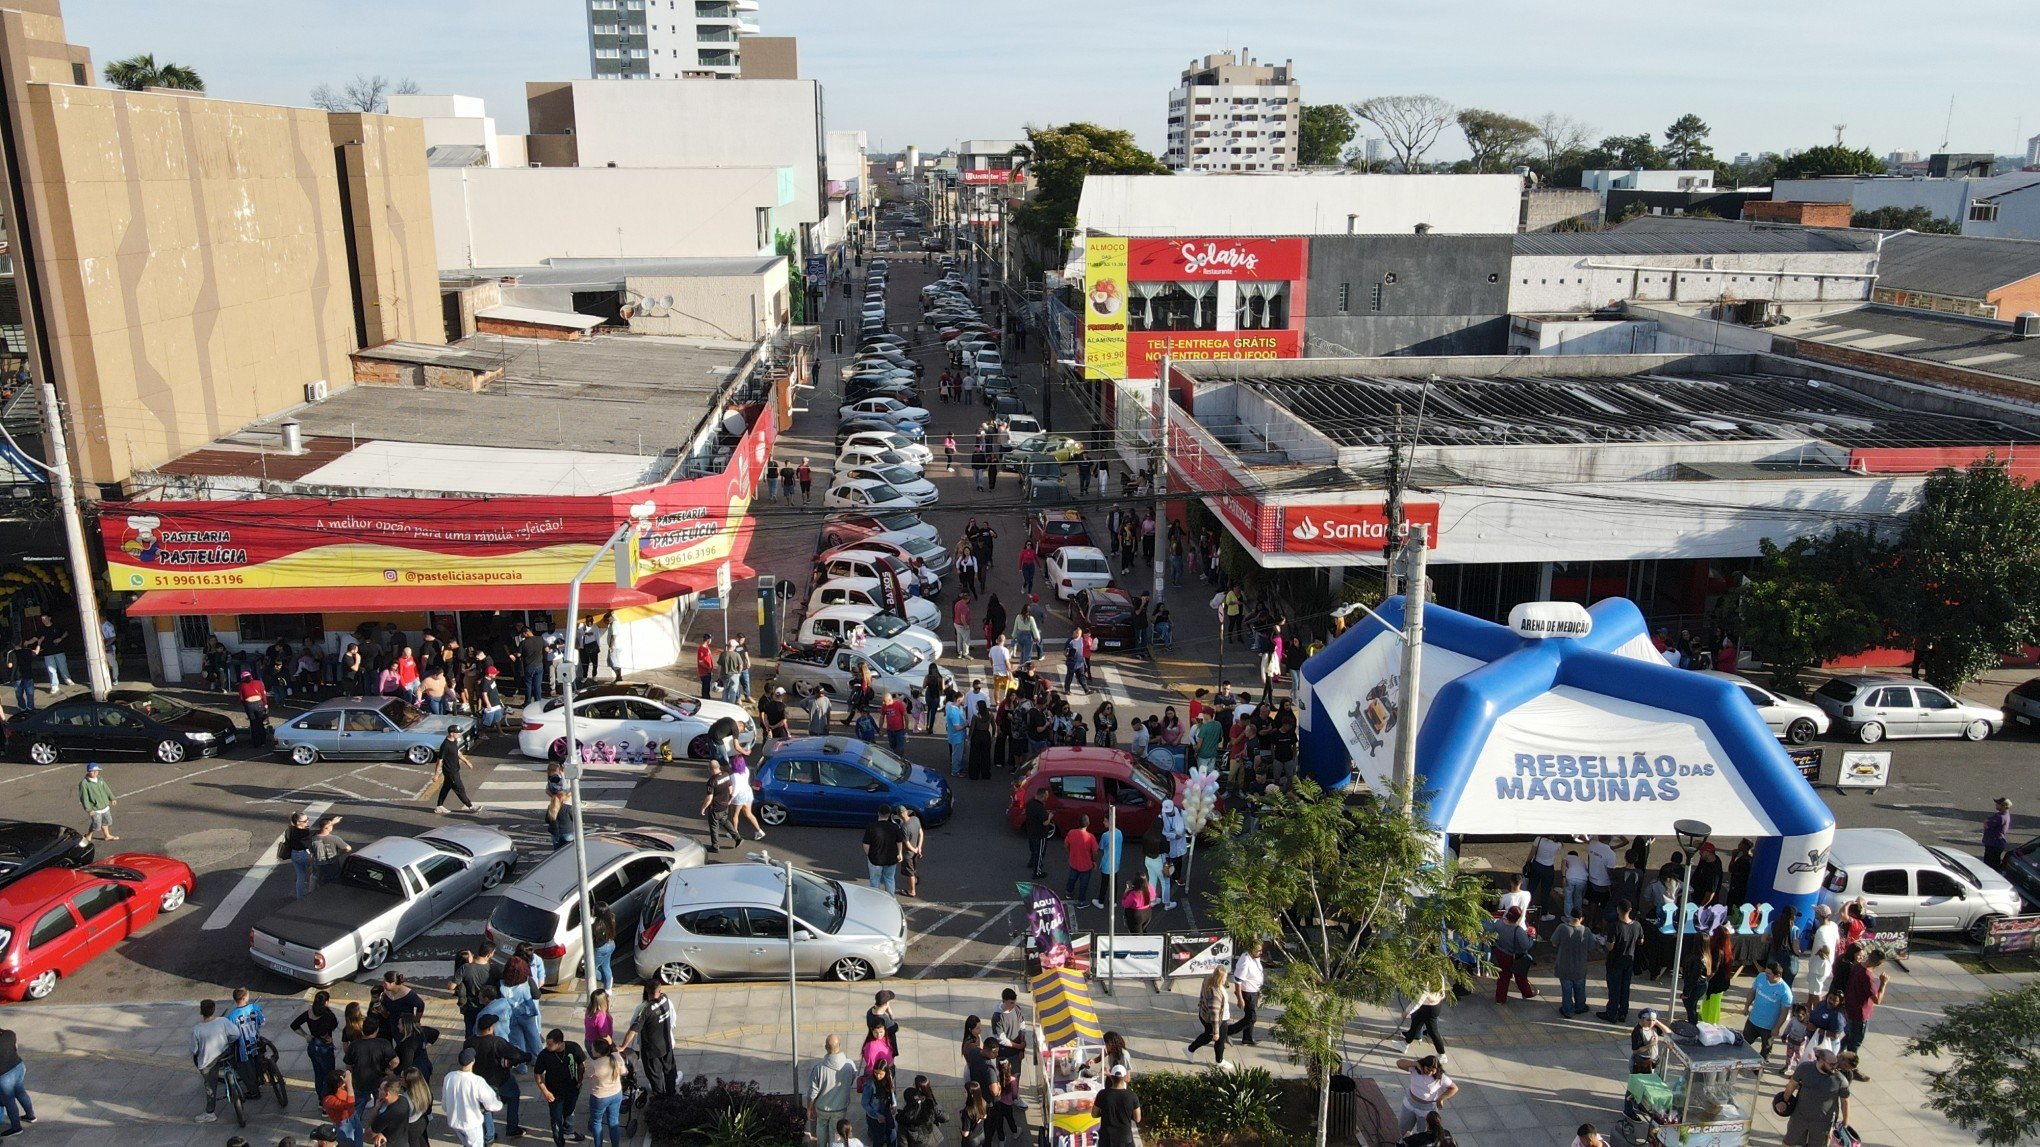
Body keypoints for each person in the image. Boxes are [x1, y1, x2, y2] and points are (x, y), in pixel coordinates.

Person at [466, 1012, 529, 1142]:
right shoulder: (496, 1042)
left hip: (479, 1082)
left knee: (486, 1108)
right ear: (490, 1029)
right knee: (513, 1095)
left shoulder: (469, 1042)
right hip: (500, 1079)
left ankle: (489, 1136)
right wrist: (525, 1057)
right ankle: (512, 1128)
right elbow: (516, 1055)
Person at [1778, 1051, 1852, 1147]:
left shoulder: (1840, 1080)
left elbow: (1845, 1102)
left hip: (1823, 1123)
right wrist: (1784, 1101)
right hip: (1799, 1117)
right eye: (1832, 1064)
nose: (1835, 1067)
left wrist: (1845, 1122)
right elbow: (1791, 1085)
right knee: (1788, 1143)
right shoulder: (1805, 1068)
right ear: (1821, 1060)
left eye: (1836, 1063)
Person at [534, 1028, 586, 1147]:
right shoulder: (544, 1055)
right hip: (554, 1093)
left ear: (560, 1043)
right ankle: (559, 1142)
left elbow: (581, 1065)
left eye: (550, 1044)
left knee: (569, 1111)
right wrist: (545, 1091)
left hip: (572, 1089)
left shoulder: (573, 1048)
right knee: (556, 1118)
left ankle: (569, 1131)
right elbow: (537, 1074)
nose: (547, 1046)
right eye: (547, 1043)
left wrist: (579, 1081)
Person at [191, 998, 240, 1124]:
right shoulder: (222, 1021)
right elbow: (236, 1034)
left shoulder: (197, 1029)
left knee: (210, 1086)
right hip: (225, 1054)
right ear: (214, 1010)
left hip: (209, 1061)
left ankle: (210, 1112)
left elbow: (194, 1049)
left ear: (201, 1012)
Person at [623, 983, 678, 1096]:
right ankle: (671, 1094)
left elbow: (633, 1028)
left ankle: (660, 1098)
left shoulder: (644, 1009)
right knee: (670, 1070)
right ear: (660, 990)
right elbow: (672, 1020)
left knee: (654, 1074)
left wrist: (623, 1046)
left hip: (651, 1050)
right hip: (667, 1044)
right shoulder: (666, 999)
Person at [442, 1047, 503, 1147]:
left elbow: (445, 1101)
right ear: (473, 1061)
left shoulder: (449, 1077)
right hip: (471, 1124)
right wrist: (499, 1104)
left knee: (465, 1143)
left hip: (454, 1122)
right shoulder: (476, 1081)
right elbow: (491, 1104)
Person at [1839, 949, 1887, 1074]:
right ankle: (1849, 1068)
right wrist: (1883, 984)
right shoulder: (1867, 976)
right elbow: (1877, 999)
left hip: (1850, 1009)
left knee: (1849, 1036)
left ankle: (1837, 1054)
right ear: (1879, 964)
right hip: (1860, 1015)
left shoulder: (1857, 966)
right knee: (1855, 1043)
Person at [1598, 899, 1644, 1024]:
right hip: (1629, 961)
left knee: (1614, 989)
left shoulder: (1615, 926)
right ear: (1630, 910)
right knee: (1625, 988)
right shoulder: (1637, 925)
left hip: (1614, 962)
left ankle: (1611, 1013)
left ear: (1618, 910)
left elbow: (1610, 947)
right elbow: (1641, 941)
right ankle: (1623, 1012)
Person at [808, 1034, 860, 1143]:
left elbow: (812, 1093)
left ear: (826, 1048)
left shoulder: (818, 1069)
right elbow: (852, 1079)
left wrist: (810, 1109)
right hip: (840, 1108)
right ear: (839, 1046)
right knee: (835, 1133)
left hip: (822, 1108)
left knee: (821, 1127)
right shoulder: (849, 1065)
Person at [291, 990, 341, 1104]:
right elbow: (331, 1027)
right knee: (329, 1076)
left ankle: (320, 1099)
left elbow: (294, 1025)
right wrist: (329, 1038)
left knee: (318, 1074)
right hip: (324, 1048)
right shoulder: (328, 1015)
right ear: (326, 1002)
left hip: (313, 1046)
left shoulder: (309, 1013)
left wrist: (305, 1035)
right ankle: (327, 1102)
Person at [1394, 1055, 1458, 1135]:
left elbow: (1454, 1088)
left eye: (1433, 1071)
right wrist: (1415, 1063)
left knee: (1424, 1133)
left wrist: (1441, 1099)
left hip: (1426, 1110)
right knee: (1403, 1128)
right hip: (1409, 1104)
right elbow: (1399, 1063)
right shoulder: (1415, 1070)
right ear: (1423, 1066)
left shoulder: (1441, 1078)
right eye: (1428, 1069)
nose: (1430, 1073)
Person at [1743, 963, 1795, 1059]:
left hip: (1768, 1028)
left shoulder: (1785, 992)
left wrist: (1777, 1028)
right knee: (1743, 1044)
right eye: (1765, 972)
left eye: (1768, 974)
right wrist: (1746, 1007)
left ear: (1777, 975)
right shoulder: (1761, 977)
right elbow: (1752, 992)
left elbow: (1784, 1012)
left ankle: (1758, 1071)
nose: (1765, 975)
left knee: (1765, 1051)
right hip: (1753, 1021)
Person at [583, 1037, 628, 1147]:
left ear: (598, 1052)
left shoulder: (593, 1064)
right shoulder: (616, 1057)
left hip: (600, 1097)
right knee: (613, 1121)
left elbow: (585, 1075)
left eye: (593, 1049)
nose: (591, 1050)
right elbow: (624, 1072)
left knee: (596, 1122)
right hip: (616, 1094)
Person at [1487, 906, 1537, 1003]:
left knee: (1504, 977)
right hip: (1514, 957)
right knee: (1520, 976)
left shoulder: (1499, 923)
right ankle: (1527, 993)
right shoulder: (1518, 930)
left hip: (1500, 952)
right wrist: (1531, 937)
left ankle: (1500, 999)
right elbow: (1526, 945)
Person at [1552, 907, 1595, 1019]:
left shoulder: (1562, 928)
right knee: (1580, 987)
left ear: (1570, 916)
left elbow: (1554, 943)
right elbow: (1592, 947)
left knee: (1566, 989)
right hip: (1580, 966)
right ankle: (1580, 1006)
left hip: (1564, 966)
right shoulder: (1586, 931)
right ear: (1582, 918)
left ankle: (1567, 1010)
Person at [1186, 966, 1232, 1065]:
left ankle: (1190, 1049)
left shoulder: (1208, 979)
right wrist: (1216, 1032)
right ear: (1220, 978)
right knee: (1219, 1039)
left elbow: (1202, 994)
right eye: (1225, 977)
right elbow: (1215, 1015)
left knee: (1208, 1035)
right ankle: (1219, 1061)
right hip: (1218, 1019)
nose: (1226, 979)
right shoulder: (1215, 994)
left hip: (1204, 1013)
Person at [1090, 1065, 1139, 1147]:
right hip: (1125, 1139)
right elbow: (1137, 1118)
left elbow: (1094, 1114)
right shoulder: (1132, 1096)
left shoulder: (1102, 1094)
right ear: (1124, 1078)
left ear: (1111, 1078)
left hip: (1107, 1139)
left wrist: (1103, 1113)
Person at [1229, 940, 1266, 1046]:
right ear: (1251, 950)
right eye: (1258, 950)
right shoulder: (1245, 961)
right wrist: (1240, 998)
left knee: (1250, 1015)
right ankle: (1228, 1031)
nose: (1260, 953)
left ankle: (1247, 1038)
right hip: (1248, 993)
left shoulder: (1255, 957)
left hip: (1255, 991)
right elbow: (1238, 980)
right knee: (1251, 1018)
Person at [432, 727, 478, 813]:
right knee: (459, 789)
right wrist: (436, 775)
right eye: (457, 732)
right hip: (450, 772)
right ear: (451, 733)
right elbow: (440, 760)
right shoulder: (445, 745)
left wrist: (466, 761)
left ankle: (439, 806)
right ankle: (470, 806)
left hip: (455, 770)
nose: (459, 734)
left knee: (446, 787)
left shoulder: (454, 741)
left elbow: (457, 752)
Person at [1399, 979, 1450, 1057]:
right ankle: (1405, 1044)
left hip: (1428, 1007)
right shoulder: (1437, 974)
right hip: (1434, 1004)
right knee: (1416, 1024)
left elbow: (1419, 998)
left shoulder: (1424, 979)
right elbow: (1442, 991)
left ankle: (1442, 1054)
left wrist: (1407, 1011)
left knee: (1433, 1031)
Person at [898, 1075, 948, 1147]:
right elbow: (945, 1117)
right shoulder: (929, 1106)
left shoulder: (903, 1119)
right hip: (931, 1142)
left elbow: (903, 1143)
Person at [701, 757, 739, 852]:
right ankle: (738, 838)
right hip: (725, 805)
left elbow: (709, 797)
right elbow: (730, 789)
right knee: (725, 821)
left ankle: (715, 846)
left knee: (714, 827)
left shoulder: (712, 781)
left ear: (711, 769)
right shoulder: (726, 775)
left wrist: (703, 808)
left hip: (715, 808)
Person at [864, 807, 905, 893]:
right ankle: (890, 898)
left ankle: (875, 897)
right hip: (891, 858)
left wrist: (869, 855)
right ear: (889, 815)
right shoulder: (895, 827)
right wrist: (900, 853)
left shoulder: (872, 827)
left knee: (874, 880)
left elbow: (866, 844)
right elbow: (899, 841)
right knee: (889, 878)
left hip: (875, 859)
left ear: (878, 813)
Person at [861, 1059, 898, 1147]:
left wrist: (894, 1104)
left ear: (886, 1073)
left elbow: (892, 1092)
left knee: (893, 1136)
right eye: (876, 1072)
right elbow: (864, 1103)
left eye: (881, 1074)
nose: (878, 1076)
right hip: (874, 1117)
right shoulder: (870, 1084)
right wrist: (877, 1116)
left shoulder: (889, 1080)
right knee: (878, 1140)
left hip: (886, 1112)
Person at [1063, 814, 1099, 904]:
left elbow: (1066, 845)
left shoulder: (1071, 832)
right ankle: (1081, 901)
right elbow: (1095, 852)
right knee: (1084, 884)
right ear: (1088, 823)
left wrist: (1071, 852)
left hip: (1073, 862)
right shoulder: (1091, 837)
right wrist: (1093, 861)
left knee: (1072, 878)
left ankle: (1068, 892)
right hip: (1086, 865)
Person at [78, 762, 118, 841]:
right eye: (93, 771)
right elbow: (84, 797)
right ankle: (88, 835)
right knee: (96, 825)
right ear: (88, 771)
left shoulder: (100, 779)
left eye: (97, 771)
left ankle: (107, 835)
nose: (95, 772)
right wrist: (88, 809)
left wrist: (112, 798)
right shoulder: (84, 784)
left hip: (104, 806)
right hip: (95, 808)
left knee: (107, 821)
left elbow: (106, 789)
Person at [1022, 790, 1051, 878]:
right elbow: (1045, 822)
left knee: (1033, 849)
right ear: (1042, 796)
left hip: (1031, 831)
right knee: (1040, 853)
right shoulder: (1040, 808)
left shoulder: (1030, 803)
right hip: (1040, 834)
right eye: (1046, 796)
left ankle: (1032, 862)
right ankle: (1037, 872)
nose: (1047, 797)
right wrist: (1050, 816)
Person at [1984, 796, 2014, 871]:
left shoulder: (2000, 817)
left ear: (2004, 806)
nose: (1996, 805)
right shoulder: (2005, 814)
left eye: (1998, 804)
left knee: (1989, 866)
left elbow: (1987, 825)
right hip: (1996, 843)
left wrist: (1986, 822)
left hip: (1993, 844)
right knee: (1993, 864)